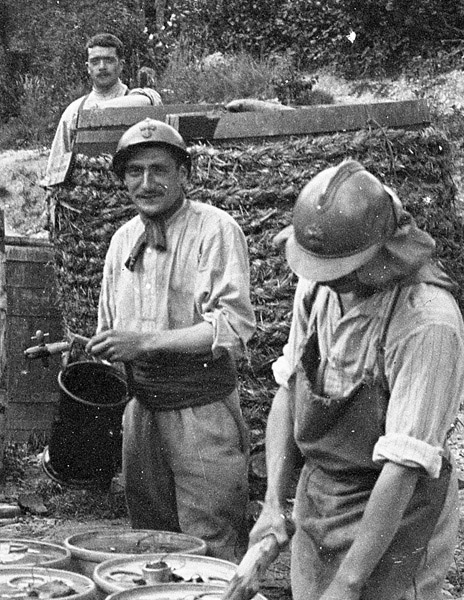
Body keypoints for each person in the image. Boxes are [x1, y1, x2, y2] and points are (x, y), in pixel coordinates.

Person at [248, 160, 464, 600]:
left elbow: (403, 467)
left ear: (382, 251)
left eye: (338, 270)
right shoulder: (319, 284)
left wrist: (349, 584)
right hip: (323, 498)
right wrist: (273, 502)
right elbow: (290, 389)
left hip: (396, 508)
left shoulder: (426, 321)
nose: (325, 280)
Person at [86, 118, 256, 562]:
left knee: (211, 538)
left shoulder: (215, 230)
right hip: (140, 413)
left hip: (200, 410)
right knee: (151, 541)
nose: (147, 182)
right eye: (135, 172)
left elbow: (232, 326)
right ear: (123, 179)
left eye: (159, 169)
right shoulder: (122, 240)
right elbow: (110, 329)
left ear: (184, 173)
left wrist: (142, 343)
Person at [41, 33, 162, 186]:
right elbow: (55, 169)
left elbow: (152, 100)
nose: (102, 67)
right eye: (95, 61)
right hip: (88, 195)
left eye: (109, 60)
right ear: (88, 67)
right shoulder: (74, 111)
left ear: (121, 65)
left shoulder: (141, 99)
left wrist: (96, 113)